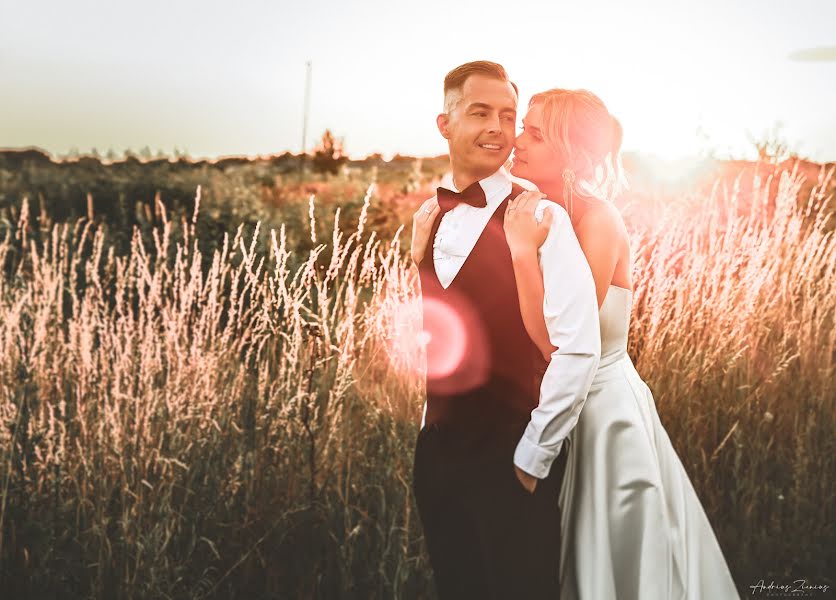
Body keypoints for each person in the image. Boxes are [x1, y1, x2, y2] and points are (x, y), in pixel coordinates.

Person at [502, 88, 741, 599]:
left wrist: (522, 255)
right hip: (559, 405)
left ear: (574, 155)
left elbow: (559, 344)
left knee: (619, 563)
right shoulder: (535, 209)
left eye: (535, 133)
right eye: (523, 126)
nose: (517, 140)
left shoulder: (598, 220)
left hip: (604, 415)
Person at [409, 62, 601, 600]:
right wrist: (428, 437)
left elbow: (578, 347)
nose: (499, 127)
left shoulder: (541, 219)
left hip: (511, 460)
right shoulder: (431, 216)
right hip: (440, 459)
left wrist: (533, 458)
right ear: (444, 124)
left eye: (508, 115)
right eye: (480, 112)